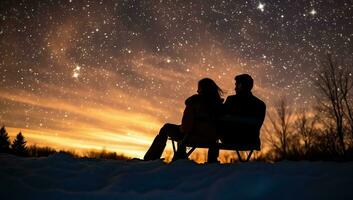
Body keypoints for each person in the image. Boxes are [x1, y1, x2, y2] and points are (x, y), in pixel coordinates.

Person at [144, 78, 223, 161]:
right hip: (212, 139)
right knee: (183, 132)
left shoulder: (194, 102)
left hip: (193, 136)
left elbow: (186, 128)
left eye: (199, 88)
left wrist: (181, 128)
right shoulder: (220, 105)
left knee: (166, 127)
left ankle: (151, 158)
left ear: (203, 89)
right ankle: (181, 156)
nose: (197, 91)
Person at [207, 74, 266, 163]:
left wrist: (217, 105)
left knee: (214, 124)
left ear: (241, 85)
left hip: (231, 139)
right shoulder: (261, 104)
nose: (235, 88)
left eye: (236, 85)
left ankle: (212, 160)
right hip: (251, 140)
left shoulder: (232, 100)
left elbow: (219, 116)